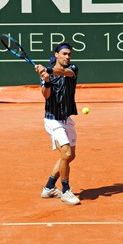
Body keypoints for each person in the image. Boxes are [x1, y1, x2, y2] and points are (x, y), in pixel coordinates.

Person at [35, 42, 80, 205]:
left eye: (69, 54)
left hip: (66, 119)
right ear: (56, 55)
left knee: (69, 156)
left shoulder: (73, 69)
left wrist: (47, 71)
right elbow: (46, 95)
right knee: (66, 154)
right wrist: (46, 81)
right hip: (52, 119)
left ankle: (49, 187)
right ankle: (66, 191)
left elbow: (64, 72)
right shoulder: (49, 74)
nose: (67, 57)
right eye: (64, 54)